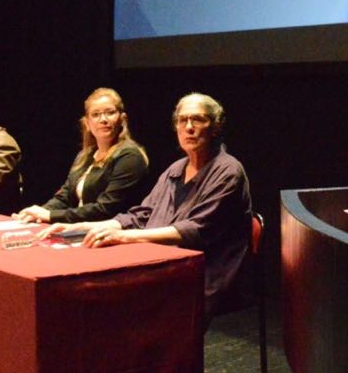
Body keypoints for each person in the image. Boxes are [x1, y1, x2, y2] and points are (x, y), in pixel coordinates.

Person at [42, 92, 252, 324]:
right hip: (165, 264)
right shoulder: (176, 169)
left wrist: (123, 237)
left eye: (198, 119)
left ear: (215, 127)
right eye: (182, 120)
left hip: (205, 272)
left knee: (115, 301)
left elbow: (195, 230)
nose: (189, 127)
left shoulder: (228, 171)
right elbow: (142, 215)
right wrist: (81, 227)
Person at [14, 88, 149, 224]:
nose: (103, 119)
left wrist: (50, 215)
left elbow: (106, 209)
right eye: (95, 114)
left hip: (113, 231)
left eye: (110, 112)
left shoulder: (130, 156)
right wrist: (38, 213)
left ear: (123, 119)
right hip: (79, 229)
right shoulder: (85, 156)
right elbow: (64, 197)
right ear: (87, 123)